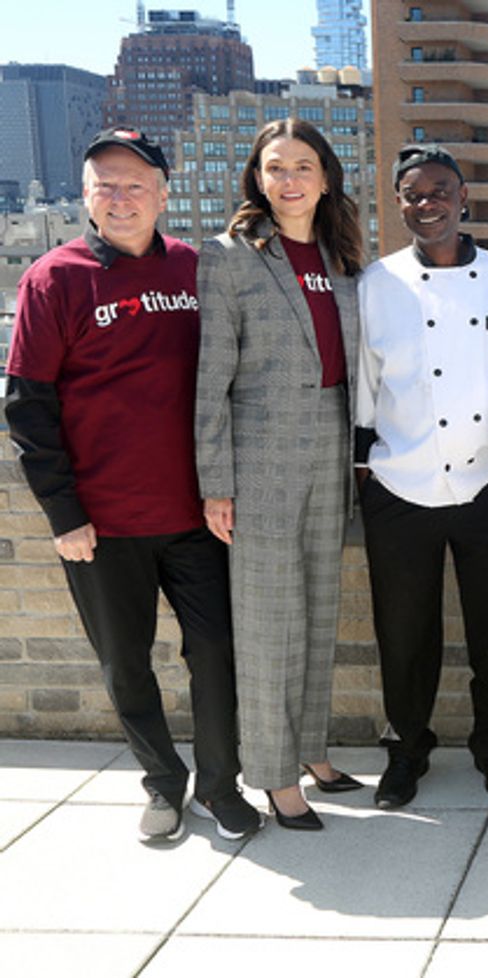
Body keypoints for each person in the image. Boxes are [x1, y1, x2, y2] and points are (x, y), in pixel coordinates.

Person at [3, 127, 259, 844]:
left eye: (136, 184)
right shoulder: (55, 277)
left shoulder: (197, 268)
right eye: (105, 185)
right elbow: (28, 403)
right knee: (126, 665)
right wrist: (64, 514)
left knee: (215, 654)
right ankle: (162, 783)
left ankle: (217, 783)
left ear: (164, 194)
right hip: (102, 523)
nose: (121, 198)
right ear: (86, 195)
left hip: (199, 514)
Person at [195, 118, 364, 831]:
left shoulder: (342, 253)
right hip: (258, 457)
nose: (289, 179)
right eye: (275, 167)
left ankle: (312, 749)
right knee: (268, 622)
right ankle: (272, 774)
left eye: (303, 166)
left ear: (326, 177)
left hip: (331, 441)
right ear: (257, 178)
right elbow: (211, 379)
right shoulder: (230, 257)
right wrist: (215, 481)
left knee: (320, 608)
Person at [355, 144, 488, 809]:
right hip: (401, 485)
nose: (425, 203)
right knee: (404, 634)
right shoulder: (378, 283)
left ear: (465, 200)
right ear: (398, 203)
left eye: (439, 191)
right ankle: (407, 748)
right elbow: (365, 387)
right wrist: (365, 471)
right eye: (412, 193)